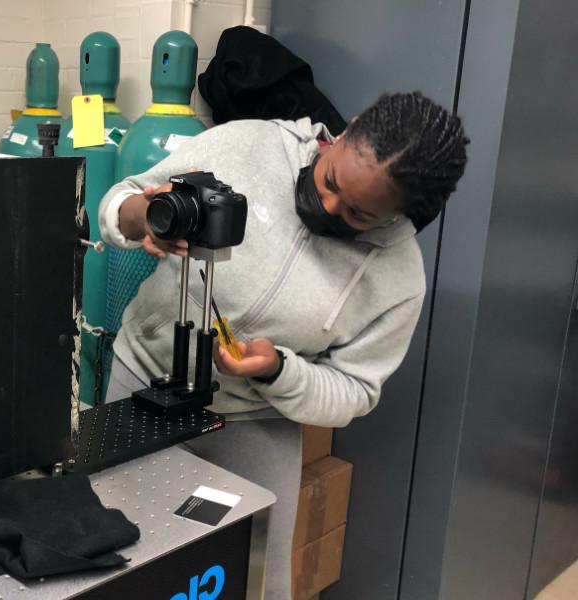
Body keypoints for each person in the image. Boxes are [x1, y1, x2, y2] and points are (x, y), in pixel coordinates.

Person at [99, 92, 468, 599]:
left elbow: (355, 390)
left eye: (357, 215)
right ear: (347, 130)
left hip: (252, 420)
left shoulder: (398, 280)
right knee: (117, 555)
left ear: (400, 216)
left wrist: (279, 372)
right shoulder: (248, 144)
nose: (329, 206)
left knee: (251, 576)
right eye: (330, 180)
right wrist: (140, 214)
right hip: (142, 381)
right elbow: (122, 198)